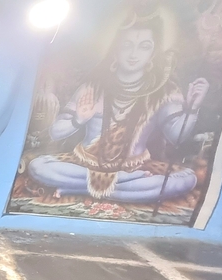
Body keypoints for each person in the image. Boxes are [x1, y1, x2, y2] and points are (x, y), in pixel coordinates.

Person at [27, 8, 206, 203]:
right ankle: (123, 184)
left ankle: (84, 187)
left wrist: (192, 109)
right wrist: (78, 119)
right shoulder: (94, 87)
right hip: (86, 164)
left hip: (136, 168)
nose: (133, 54)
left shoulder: (163, 91)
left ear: (154, 52)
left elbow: (176, 136)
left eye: (144, 46)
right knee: (38, 166)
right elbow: (55, 132)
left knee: (188, 179)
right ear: (115, 49)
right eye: (127, 45)